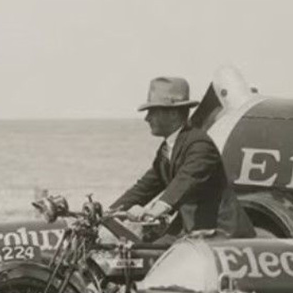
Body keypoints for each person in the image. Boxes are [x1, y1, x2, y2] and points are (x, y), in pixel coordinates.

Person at [108, 76, 254, 238]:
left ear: (172, 114)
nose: (147, 118)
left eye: (152, 112)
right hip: (193, 231)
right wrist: (108, 212)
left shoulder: (199, 144)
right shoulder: (167, 149)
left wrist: (156, 209)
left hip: (222, 235)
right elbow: (144, 187)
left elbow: (186, 180)